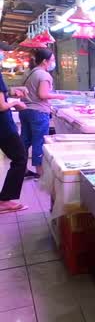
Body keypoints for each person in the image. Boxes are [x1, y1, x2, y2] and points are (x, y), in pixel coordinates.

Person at [20, 49, 66, 178]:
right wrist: (59, 96)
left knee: (25, 141)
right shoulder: (44, 75)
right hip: (38, 112)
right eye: (52, 60)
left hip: (25, 110)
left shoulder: (29, 73)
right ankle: (40, 173)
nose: (53, 63)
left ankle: (21, 170)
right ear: (45, 61)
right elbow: (42, 94)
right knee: (39, 142)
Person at [0, 41, 29, 212]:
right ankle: (5, 200)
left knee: (18, 157)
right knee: (20, 158)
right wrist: (16, 102)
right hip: (3, 125)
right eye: (3, 51)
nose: (4, 54)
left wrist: (11, 92)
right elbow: (1, 105)